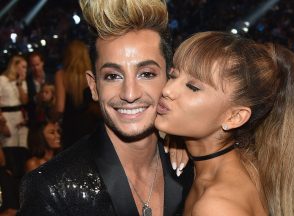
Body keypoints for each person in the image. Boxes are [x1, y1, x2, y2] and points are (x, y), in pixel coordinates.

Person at [19, 0, 192, 215]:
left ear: (169, 79)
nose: (130, 94)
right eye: (112, 76)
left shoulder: (192, 165)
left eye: (146, 73)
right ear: (93, 86)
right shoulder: (51, 188)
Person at [155, 31, 294, 215]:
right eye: (174, 75)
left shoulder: (216, 207)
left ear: (235, 117)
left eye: (193, 87)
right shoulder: (247, 162)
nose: (167, 89)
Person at [54, 40, 101, 149]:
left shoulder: (61, 75)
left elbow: (59, 108)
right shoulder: (93, 74)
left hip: (70, 127)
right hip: (92, 124)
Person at [0, 55, 29, 148]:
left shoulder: (22, 81)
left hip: (20, 117)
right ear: (14, 66)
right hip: (6, 117)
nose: (25, 70)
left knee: (22, 146)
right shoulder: (2, 79)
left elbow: (25, 101)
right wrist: (2, 124)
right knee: (9, 147)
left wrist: (19, 84)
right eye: (23, 67)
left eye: (26, 67)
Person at [26, 52, 55, 129]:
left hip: (51, 118)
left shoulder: (52, 78)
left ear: (42, 63)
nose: (35, 68)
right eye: (33, 66)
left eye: (37, 64)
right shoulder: (27, 81)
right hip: (34, 120)